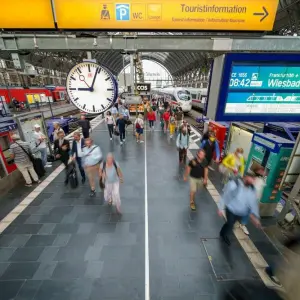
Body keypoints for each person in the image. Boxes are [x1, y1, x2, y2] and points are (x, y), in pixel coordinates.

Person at [218, 174, 261, 246]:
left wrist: (255, 217)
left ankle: (222, 232)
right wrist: (220, 207)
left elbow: (253, 203)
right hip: (231, 209)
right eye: (250, 179)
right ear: (245, 177)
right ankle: (224, 235)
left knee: (230, 224)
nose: (252, 181)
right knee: (230, 224)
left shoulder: (252, 189)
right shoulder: (234, 184)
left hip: (241, 212)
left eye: (253, 180)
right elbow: (226, 195)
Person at [239, 166, 266, 236]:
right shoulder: (252, 179)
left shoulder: (261, 180)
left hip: (255, 199)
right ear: (257, 171)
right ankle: (242, 224)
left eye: (263, 170)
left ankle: (242, 222)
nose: (264, 172)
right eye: (261, 171)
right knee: (248, 213)